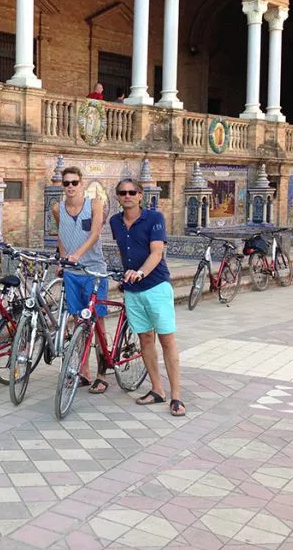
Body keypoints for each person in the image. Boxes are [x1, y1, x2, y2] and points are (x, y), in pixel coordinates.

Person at [110, 178, 185, 417]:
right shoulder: (115, 222)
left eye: (132, 192)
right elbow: (124, 251)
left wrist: (140, 272)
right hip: (133, 290)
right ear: (118, 197)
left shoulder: (155, 219)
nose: (127, 196)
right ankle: (157, 389)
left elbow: (157, 252)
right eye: (123, 193)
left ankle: (176, 397)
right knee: (144, 339)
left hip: (156, 286)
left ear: (140, 195)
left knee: (166, 340)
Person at [52, 167, 109, 394]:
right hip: (72, 274)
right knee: (79, 323)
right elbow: (61, 235)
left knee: (98, 324)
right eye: (66, 183)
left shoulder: (94, 204)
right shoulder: (58, 208)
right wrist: (62, 259)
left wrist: (77, 255)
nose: (70, 187)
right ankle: (83, 371)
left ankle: (102, 374)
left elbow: (94, 233)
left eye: (74, 182)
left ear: (81, 183)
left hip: (94, 271)